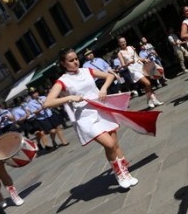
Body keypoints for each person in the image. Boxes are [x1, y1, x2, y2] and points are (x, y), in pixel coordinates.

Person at [42, 48, 139, 189]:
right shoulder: (62, 81)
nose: (75, 62)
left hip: (102, 110)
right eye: (71, 60)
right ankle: (119, 174)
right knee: (110, 144)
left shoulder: (87, 71)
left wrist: (104, 88)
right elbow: (47, 103)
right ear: (63, 63)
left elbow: (109, 76)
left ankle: (125, 173)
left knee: (115, 145)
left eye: (76, 58)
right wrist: (69, 97)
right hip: (85, 117)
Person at [117, 37, 163, 109]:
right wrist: (128, 63)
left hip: (140, 67)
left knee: (148, 85)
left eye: (124, 41)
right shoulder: (120, 53)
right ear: (119, 44)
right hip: (133, 71)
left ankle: (154, 100)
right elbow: (123, 65)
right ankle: (149, 100)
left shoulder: (131, 47)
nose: (123, 43)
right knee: (147, 83)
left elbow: (138, 58)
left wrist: (144, 59)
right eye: (121, 42)